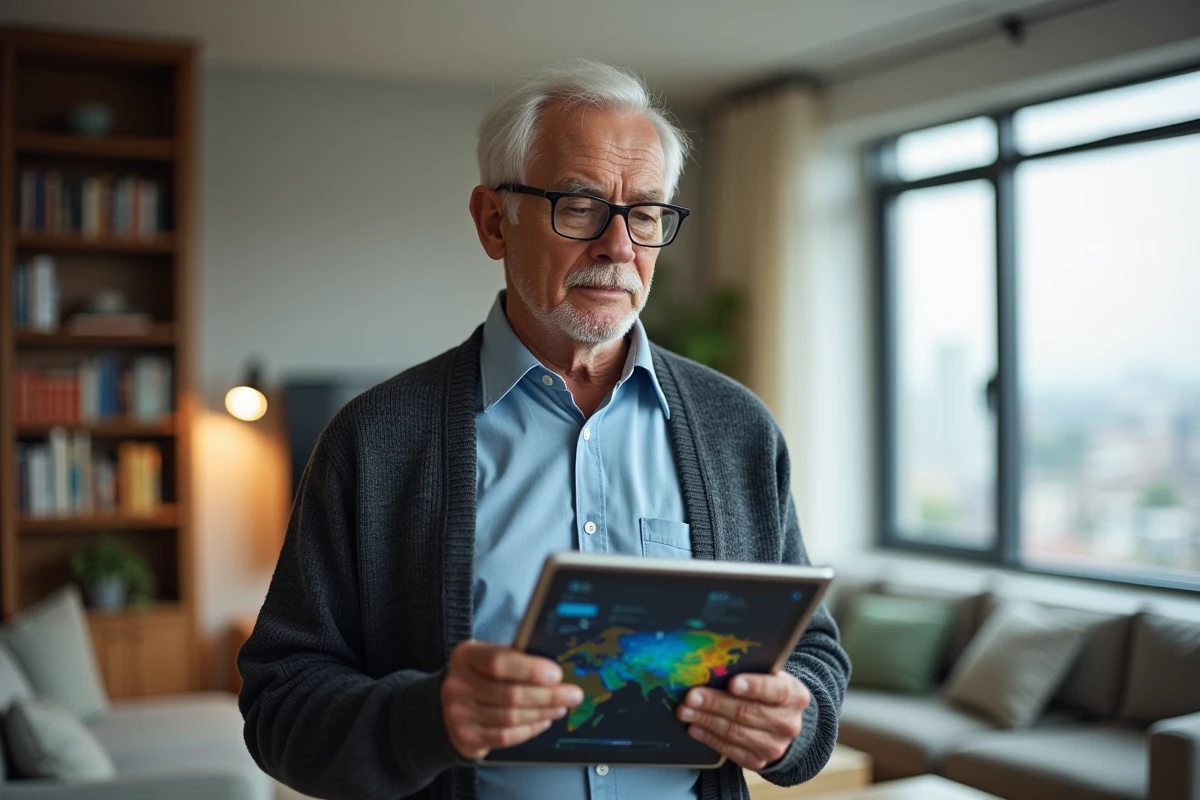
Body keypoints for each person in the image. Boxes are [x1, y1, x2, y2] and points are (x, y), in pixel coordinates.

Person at [238, 59, 849, 800]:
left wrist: (797, 719)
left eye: (647, 213)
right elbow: (279, 705)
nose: (619, 247)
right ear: (495, 221)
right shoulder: (374, 442)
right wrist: (427, 717)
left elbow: (811, 646)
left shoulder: (737, 429)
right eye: (580, 205)